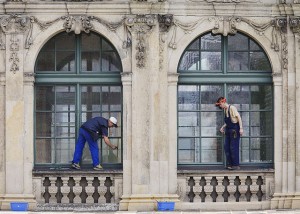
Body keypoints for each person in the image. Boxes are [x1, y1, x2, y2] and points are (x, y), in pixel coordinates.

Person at [215, 97, 243, 170]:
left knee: (233, 147)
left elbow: (238, 118)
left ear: (223, 102)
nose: (220, 107)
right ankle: (230, 164)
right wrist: (223, 127)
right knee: (226, 147)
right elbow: (228, 122)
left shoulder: (232, 108)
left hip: (235, 130)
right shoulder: (225, 110)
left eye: (220, 105)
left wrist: (241, 128)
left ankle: (236, 165)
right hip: (228, 130)